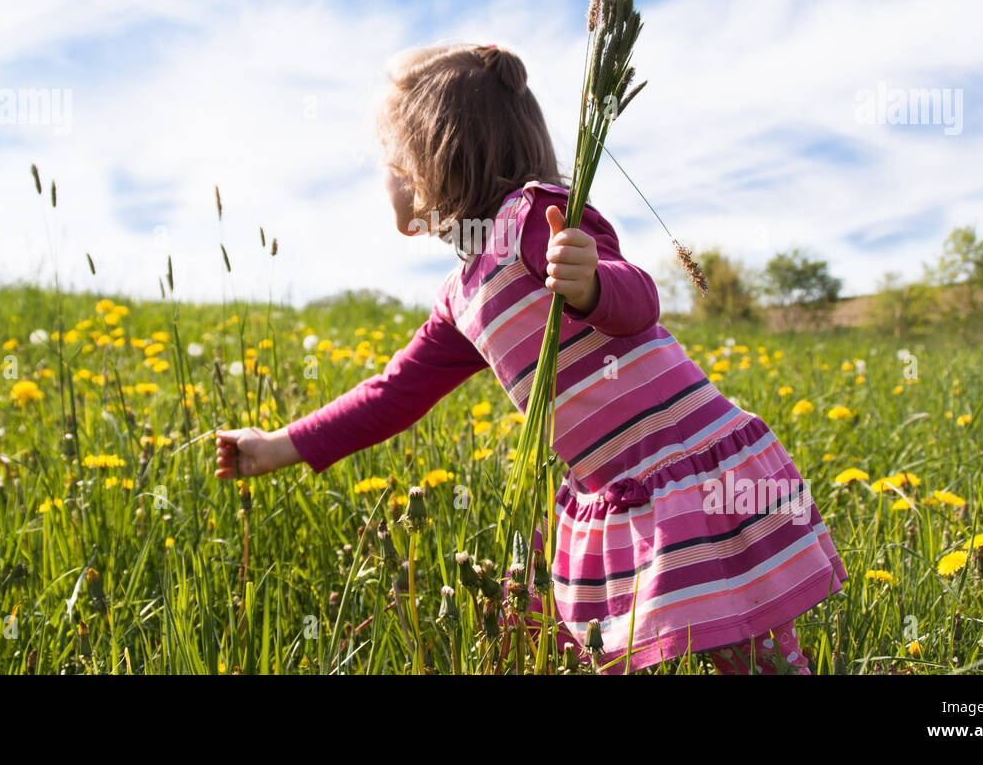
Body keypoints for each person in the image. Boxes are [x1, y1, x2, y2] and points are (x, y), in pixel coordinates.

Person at [214, 41, 848, 674]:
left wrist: (592, 283)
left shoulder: (531, 216)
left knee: (749, 649)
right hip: (612, 485)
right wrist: (277, 446)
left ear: (430, 157)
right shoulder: (461, 297)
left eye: (387, 156)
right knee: (576, 628)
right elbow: (392, 395)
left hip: (679, 464)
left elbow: (641, 298)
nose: (382, 171)